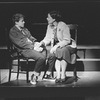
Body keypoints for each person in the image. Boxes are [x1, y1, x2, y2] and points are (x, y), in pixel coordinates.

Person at [9, 13, 47, 85]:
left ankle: (44, 73)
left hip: (30, 47)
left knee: (44, 49)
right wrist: (33, 47)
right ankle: (35, 75)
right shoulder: (13, 31)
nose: (24, 22)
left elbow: (31, 37)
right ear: (16, 22)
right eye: (22, 21)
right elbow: (20, 43)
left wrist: (36, 42)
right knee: (42, 57)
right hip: (23, 50)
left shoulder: (25, 29)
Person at [40, 11, 77, 83]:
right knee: (58, 51)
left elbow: (67, 40)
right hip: (58, 47)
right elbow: (47, 38)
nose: (47, 18)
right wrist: (42, 43)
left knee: (62, 50)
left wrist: (56, 46)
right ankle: (58, 75)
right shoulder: (49, 26)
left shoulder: (63, 25)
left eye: (48, 17)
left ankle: (62, 74)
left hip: (68, 45)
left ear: (54, 19)